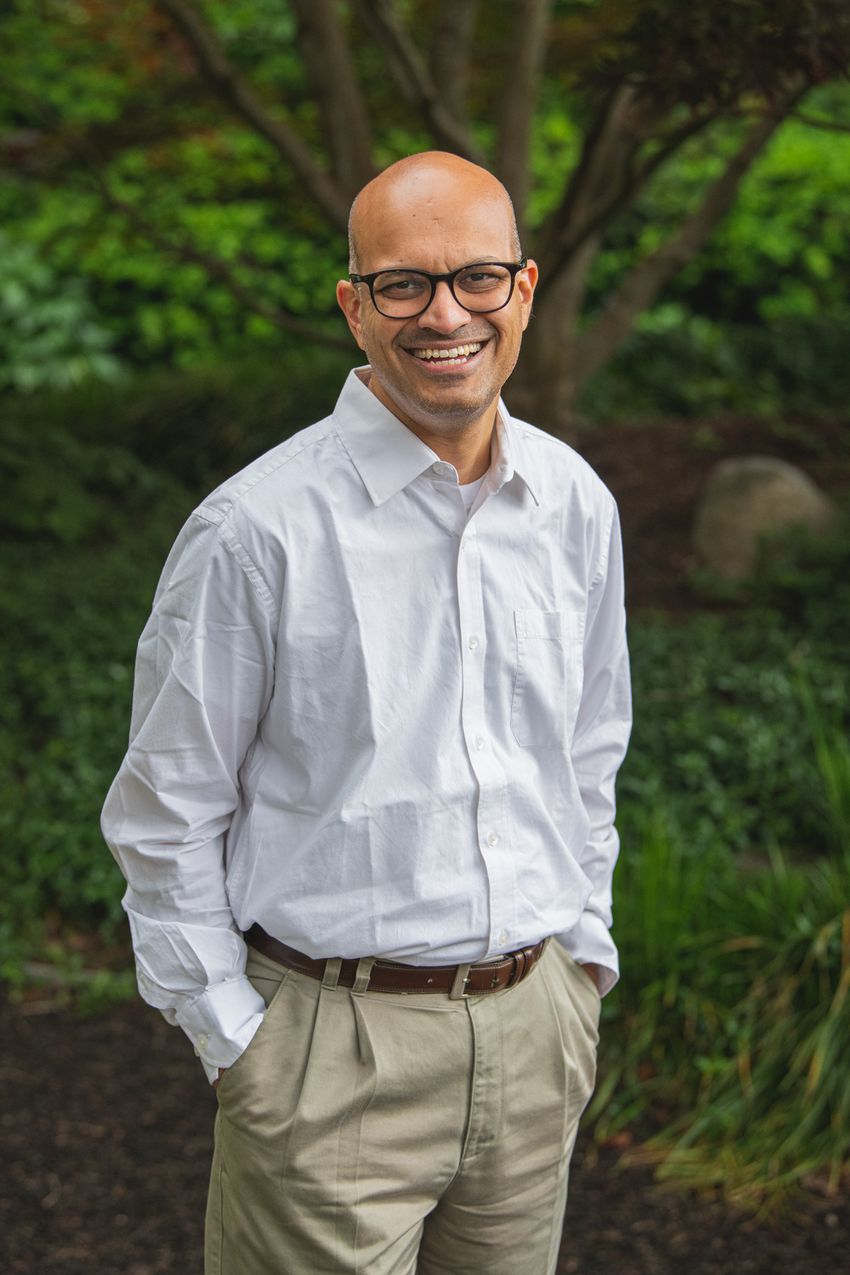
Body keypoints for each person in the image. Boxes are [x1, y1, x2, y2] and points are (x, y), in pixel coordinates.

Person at [102, 150, 632, 1275]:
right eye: (403, 284)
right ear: (355, 308)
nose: (445, 314)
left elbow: (588, 753)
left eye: (477, 279)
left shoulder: (573, 503)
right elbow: (167, 809)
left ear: (524, 291)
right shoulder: (256, 530)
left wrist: (580, 965)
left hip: (535, 1037)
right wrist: (240, 1044)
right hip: (327, 1061)